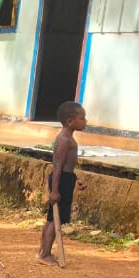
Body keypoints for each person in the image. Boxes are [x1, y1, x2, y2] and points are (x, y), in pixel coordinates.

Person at [39, 102, 86, 266]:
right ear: (70, 121)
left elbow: (67, 166)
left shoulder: (69, 139)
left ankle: (43, 251)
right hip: (61, 180)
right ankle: (45, 254)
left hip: (66, 178)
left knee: (52, 218)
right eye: (82, 118)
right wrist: (55, 191)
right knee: (54, 220)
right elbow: (58, 167)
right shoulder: (64, 140)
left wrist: (75, 178)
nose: (85, 121)